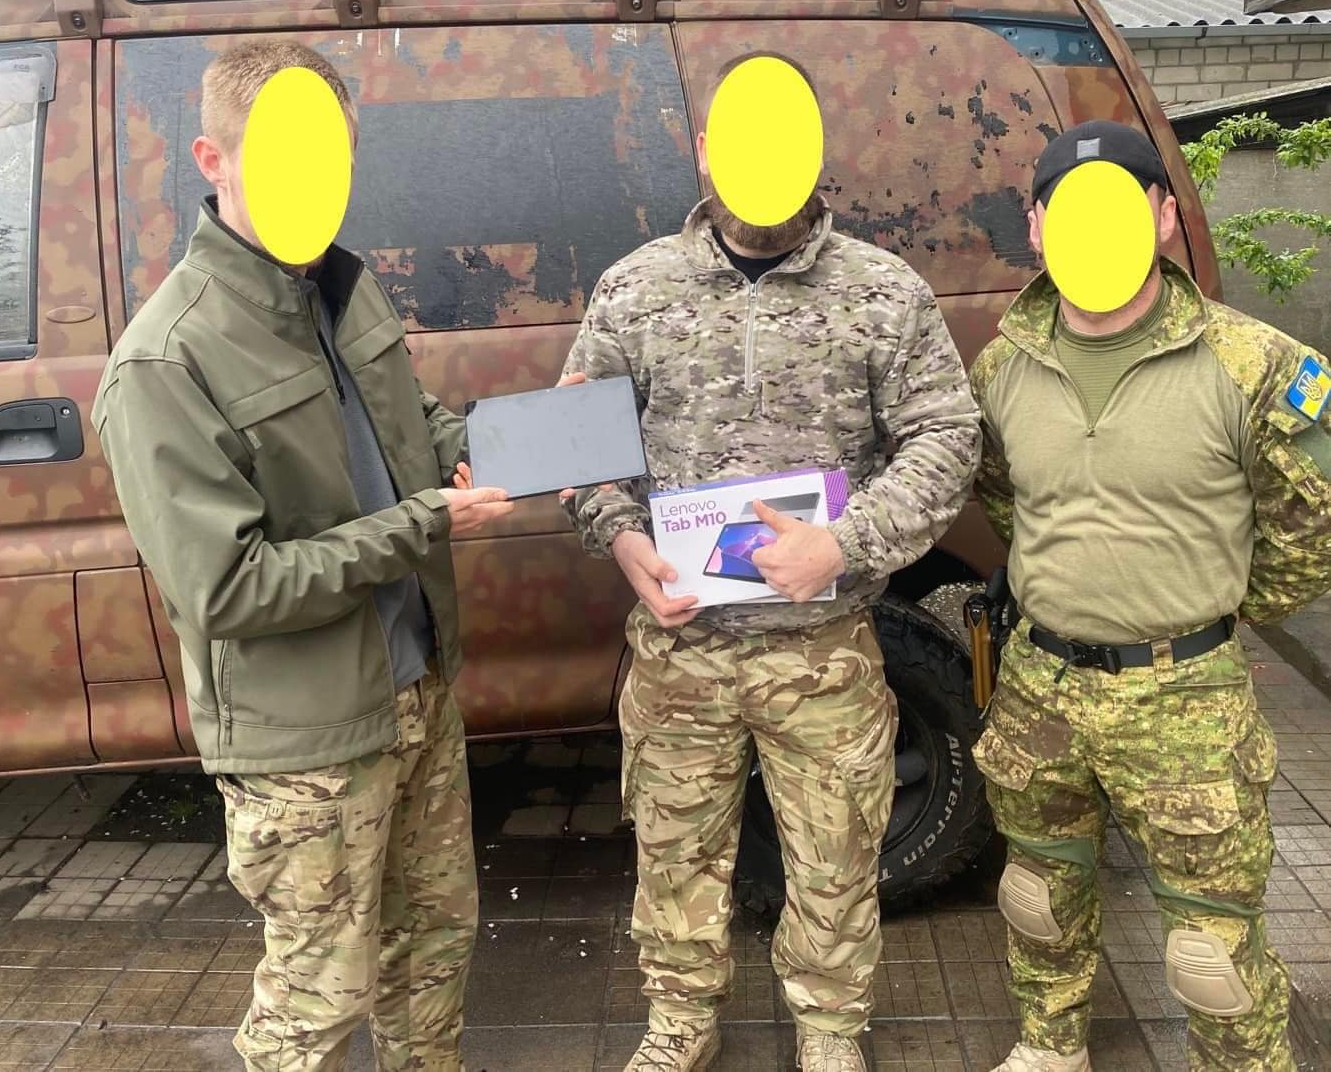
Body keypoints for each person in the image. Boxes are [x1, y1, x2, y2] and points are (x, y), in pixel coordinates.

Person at [92, 41, 513, 1071]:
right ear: (213, 158)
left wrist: (506, 447)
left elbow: (412, 426)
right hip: (307, 748)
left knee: (432, 955)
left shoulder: (342, 288)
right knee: (314, 1008)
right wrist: (420, 524)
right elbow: (228, 589)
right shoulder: (165, 359)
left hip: (417, 694)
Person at [561, 52, 982, 1072]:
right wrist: (623, 541)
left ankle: (830, 1032)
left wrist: (846, 541)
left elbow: (946, 435)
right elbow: (575, 446)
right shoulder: (635, 289)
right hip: (681, 651)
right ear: (705, 151)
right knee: (674, 856)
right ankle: (679, 1023)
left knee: (836, 860)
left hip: (823, 649)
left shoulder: (881, 292)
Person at [970, 120, 1331, 1072]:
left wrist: (1222, 609)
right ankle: (1051, 1048)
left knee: (1212, 951)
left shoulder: (1253, 363)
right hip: (1041, 686)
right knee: (1038, 897)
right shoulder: (1003, 365)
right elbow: (1002, 493)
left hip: (1186, 698)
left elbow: (1314, 522)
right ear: (1036, 227)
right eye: (1068, 210)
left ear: (1165, 217)